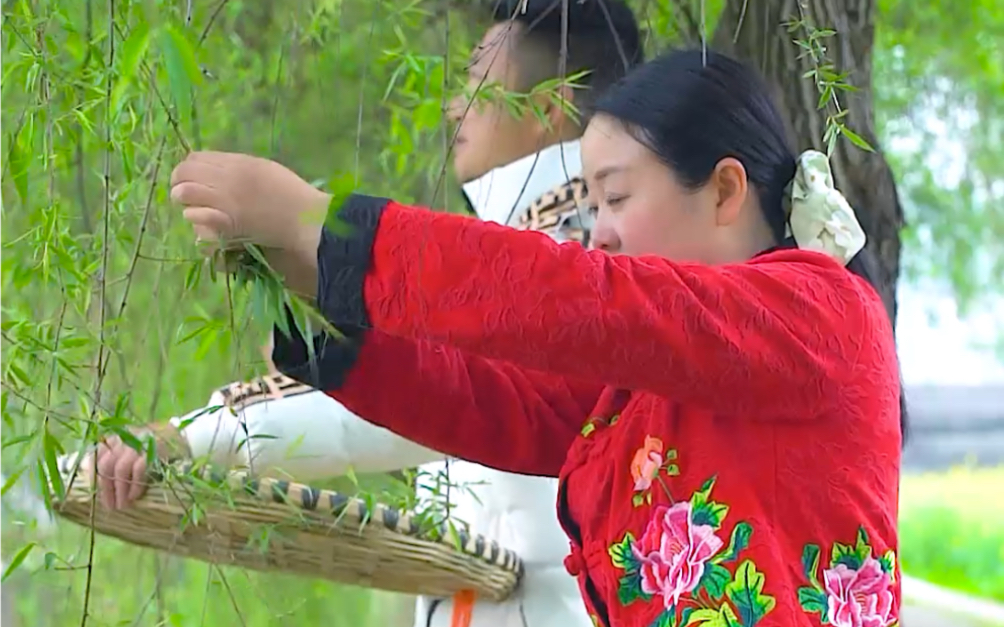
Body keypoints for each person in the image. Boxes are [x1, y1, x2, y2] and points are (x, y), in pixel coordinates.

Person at [169, 48, 905, 627]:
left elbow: (581, 302)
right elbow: (503, 404)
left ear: (723, 189)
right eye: (591, 205)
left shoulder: (820, 311)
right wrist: (327, 317)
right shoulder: (652, 376)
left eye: (616, 197)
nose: (601, 233)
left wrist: (324, 226)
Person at [83, 2, 643, 627]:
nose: (453, 106)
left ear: (547, 105)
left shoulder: (573, 250)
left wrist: (195, 435)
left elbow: (432, 391)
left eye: (477, 79)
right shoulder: (540, 241)